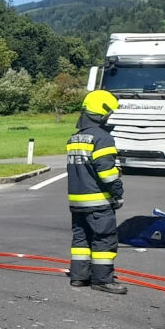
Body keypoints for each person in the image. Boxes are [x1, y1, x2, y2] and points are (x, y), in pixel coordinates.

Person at [66, 89, 126, 294]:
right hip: (98, 201)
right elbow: (107, 174)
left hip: (77, 202)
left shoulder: (75, 138)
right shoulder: (102, 138)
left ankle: (79, 278)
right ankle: (102, 280)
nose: (109, 117)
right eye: (108, 113)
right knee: (104, 239)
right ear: (101, 113)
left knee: (81, 240)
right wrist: (117, 192)